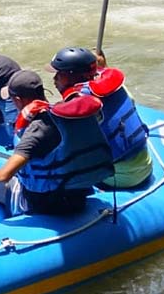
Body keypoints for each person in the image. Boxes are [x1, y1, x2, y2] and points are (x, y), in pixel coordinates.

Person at [0, 65, 113, 216]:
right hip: (75, 194)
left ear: (18, 100)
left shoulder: (36, 130)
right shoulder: (63, 118)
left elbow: (2, 177)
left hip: (44, 203)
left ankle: (7, 212)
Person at [48, 46, 152, 189]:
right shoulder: (118, 86)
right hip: (145, 165)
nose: (54, 79)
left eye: (59, 74)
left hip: (118, 178)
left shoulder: (81, 105)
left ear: (72, 76)